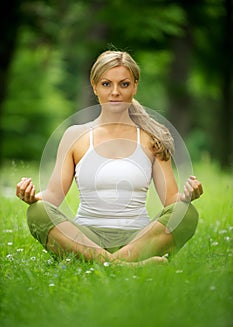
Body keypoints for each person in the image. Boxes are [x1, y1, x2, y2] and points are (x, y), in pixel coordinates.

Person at [16, 50, 203, 265]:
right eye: (106, 84)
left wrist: (187, 196)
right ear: (94, 86)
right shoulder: (74, 136)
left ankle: (102, 264)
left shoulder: (152, 138)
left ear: (135, 86)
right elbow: (53, 196)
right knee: (37, 212)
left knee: (186, 213)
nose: (115, 92)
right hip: (85, 238)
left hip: (138, 239)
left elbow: (171, 201)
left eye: (124, 84)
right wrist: (31, 196)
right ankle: (125, 266)